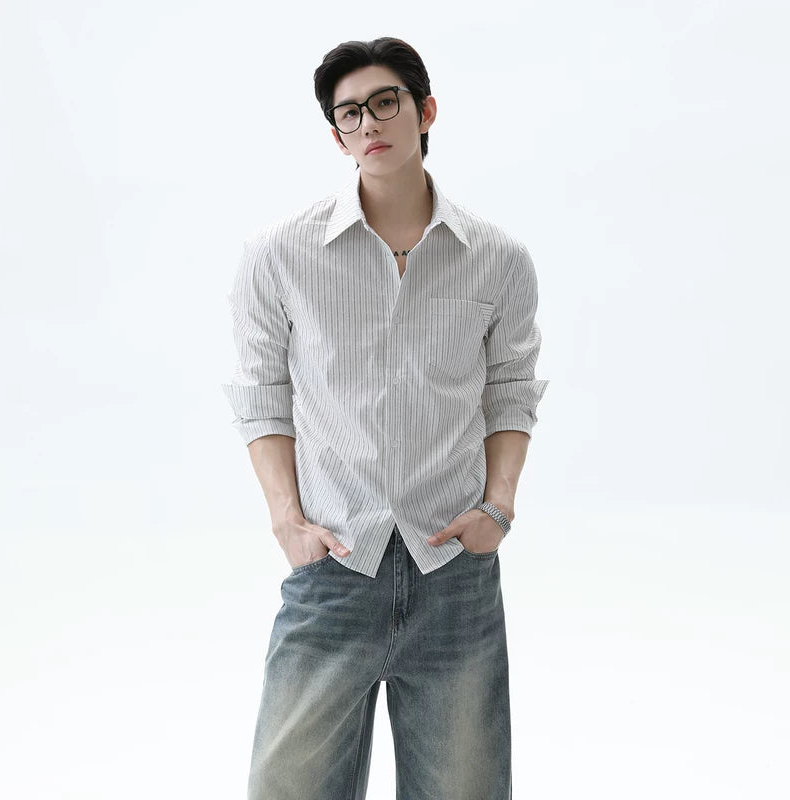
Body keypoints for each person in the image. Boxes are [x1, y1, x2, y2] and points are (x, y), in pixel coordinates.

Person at [221, 36, 549, 800]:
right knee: (286, 787)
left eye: (384, 102)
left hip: (453, 570)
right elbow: (261, 391)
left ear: (424, 111)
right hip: (334, 565)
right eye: (349, 113)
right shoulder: (279, 254)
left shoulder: (498, 259)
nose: (369, 122)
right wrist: (288, 522)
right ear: (337, 136)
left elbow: (511, 389)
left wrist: (498, 507)